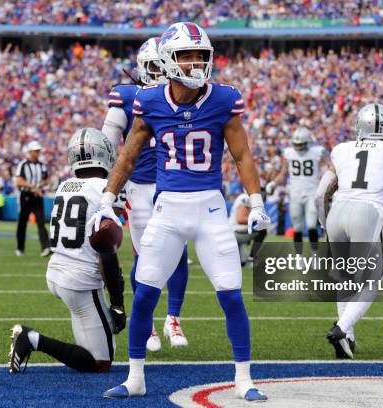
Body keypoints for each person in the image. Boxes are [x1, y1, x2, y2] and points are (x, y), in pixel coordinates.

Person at [96, 22, 270, 401]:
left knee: (230, 293)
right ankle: (135, 377)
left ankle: (244, 379)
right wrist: (108, 198)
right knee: (144, 294)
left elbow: (241, 155)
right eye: (186, 55)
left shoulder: (224, 99)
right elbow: (128, 156)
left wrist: (256, 201)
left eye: (200, 55)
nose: (194, 63)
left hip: (210, 207)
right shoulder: (151, 100)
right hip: (168, 208)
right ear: (168, 60)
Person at [9, 128, 126, 374]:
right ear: (104, 153)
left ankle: (90, 323)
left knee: (92, 332)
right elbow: (106, 250)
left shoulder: (65, 186)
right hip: (80, 282)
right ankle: (31, 339)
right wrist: (117, 303)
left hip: (57, 273)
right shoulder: (106, 189)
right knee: (100, 362)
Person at [102, 37, 189, 350]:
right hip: (138, 186)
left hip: (172, 183)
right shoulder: (126, 94)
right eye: (154, 66)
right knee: (144, 255)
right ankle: (148, 323)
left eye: (164, 66)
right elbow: (107, 143)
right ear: (142, 67)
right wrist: (113, 187)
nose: (160, 72)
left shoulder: (179, 94)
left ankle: (173, 318)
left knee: (179, 251)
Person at [315, 103, 383, 358]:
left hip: (337, 211)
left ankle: (349, 338)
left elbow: (319, 195)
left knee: (345, 279)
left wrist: (326, 225)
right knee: (370, 281)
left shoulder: (342, 149)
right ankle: (341, 329)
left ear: (360, 125)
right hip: (366, 213)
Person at [266, 128, 326, 254]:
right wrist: (273, 183)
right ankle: (299, 257)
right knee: (297, 228)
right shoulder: (289, 153)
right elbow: (283, 174)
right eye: (296, 144)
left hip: (312, 193)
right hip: (295, 194)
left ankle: (314, 255)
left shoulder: (317, 152)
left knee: (311, 226)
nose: (298, 147)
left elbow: (325, 172)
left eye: (301, 144)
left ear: (308, 142)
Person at [15, 141, 51, 257]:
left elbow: (46, 179)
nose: (38, 152)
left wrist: (40, 185)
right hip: (26, 196)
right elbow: (18, 182)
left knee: (41, 222)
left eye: (38, 150)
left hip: (37, 196)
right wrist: (33, 187)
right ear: (30, 151)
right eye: (36, 151)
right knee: (22, 223)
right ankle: (20, 247)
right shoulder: (23, 164)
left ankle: (46, 247)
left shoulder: (41, 165)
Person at [229, 191, 267, 267]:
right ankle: (251, 258)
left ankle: (244, 258)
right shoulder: (246, 198)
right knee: (262, 230)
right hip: (235, 233)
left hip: (234, 232)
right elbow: (240, 219)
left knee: (241, 262)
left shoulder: (244, 197)